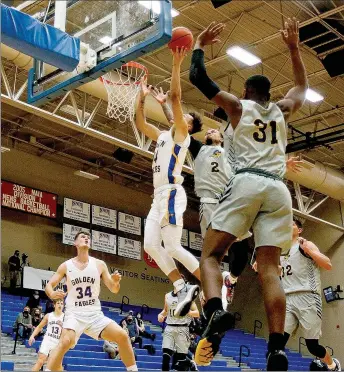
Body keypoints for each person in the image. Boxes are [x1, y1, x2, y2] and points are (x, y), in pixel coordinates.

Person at [189, 18, 308, 370]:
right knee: (270, 271)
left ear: (245, 91)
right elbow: (301, 86)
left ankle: (214, 312)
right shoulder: (283, 110)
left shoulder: (239, 108)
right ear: (270, 94)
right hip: (278, 190)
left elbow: (198, 77)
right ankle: (276, 348)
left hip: (247, 182)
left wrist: (198, 42)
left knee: (211, 255)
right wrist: (293, 48)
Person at [135, 47, 203, 317]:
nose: (178, 116)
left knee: (173, 246)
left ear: (187, 125)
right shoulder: (164, 134)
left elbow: (176, 99)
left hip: (173, 193)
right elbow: (140, 124)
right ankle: (180, 285)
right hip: (158, 197)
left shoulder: (181, 135)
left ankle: (212, 283)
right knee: (150, 245)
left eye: (183, 116)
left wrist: (176, 64)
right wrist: (141, 98)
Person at [44, 231, 137, 371]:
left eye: (88, 237)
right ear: (75, 243)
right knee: (64, 342)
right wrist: (52, 293)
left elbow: (113, 289)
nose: (86, 238)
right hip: (74, 314)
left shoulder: (99, 264)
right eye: (82, 237)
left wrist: (116, 282)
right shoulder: (66, 266)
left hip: (94, 315)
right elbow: (48, 285)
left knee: (123, 336)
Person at [280, 220, 341, 371]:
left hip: (308, 296)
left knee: (312, 346)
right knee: (278, 341)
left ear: (299, 230)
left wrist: (309, 251)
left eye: (293, 224)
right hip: (287, 298)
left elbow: (328, 264)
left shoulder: (306, 244)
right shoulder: (281, 250)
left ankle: (332, 365)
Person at [158, 290, 200, 371]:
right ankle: (190, 363)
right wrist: (160, 315)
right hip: (170, 328)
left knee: (181, 358)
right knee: (166, 357)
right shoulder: (167, 295)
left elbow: (197, 313)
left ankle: (191, 364)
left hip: (182, 329)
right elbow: (165, 311)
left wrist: (187, 311)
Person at [28, 299, 64, 371]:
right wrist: (32, 336)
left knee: (57, 366)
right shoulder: (49, 315)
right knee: (40, 361)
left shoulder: (65, 317)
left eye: (62, 303)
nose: (60, 305)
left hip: (58, 342)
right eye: (58, 303)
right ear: (54, 305)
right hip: (47, 340)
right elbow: (39, 327)